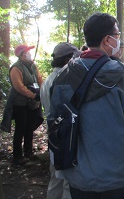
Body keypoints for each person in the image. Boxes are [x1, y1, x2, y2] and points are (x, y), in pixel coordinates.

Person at [48, 13, 124, 198]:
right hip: (116, 177)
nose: (119, 40)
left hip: (77, 176)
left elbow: (54, 119)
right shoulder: (121, 74)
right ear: (107, 39)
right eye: (118, 35)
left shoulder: (64, 75)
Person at [41, 42, 81, 199]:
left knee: (56, 179)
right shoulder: (64, 79)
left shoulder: (48, 80)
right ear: (68, 59)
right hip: (65, 138)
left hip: (54, 136)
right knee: (68, 183)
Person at [8, 44, 44, 166]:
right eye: (27, 51)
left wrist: (41, 92)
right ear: (22, 54)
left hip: (32, 103)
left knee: (29, 127)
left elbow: (39, 79)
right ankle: (17, 157)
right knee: (20, 128)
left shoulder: (33, 65)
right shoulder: (16, 68)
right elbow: (19, 87)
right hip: (20, 103)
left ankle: (28, 152)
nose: (29, 53)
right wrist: (33, 95)